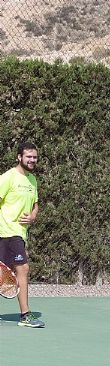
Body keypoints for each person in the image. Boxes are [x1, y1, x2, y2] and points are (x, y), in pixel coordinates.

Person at [0, 141, 44, 328]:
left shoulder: (32, 180)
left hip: (19, 233)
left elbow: (35, 205)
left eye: (34, 157)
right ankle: (25, 315)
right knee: (22, 269)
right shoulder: (8, 177)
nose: (32, 160)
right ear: (19, 157)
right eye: (28, 156)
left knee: (8, 274)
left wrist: (33, 216)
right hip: (7, 231)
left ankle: (25, 314)